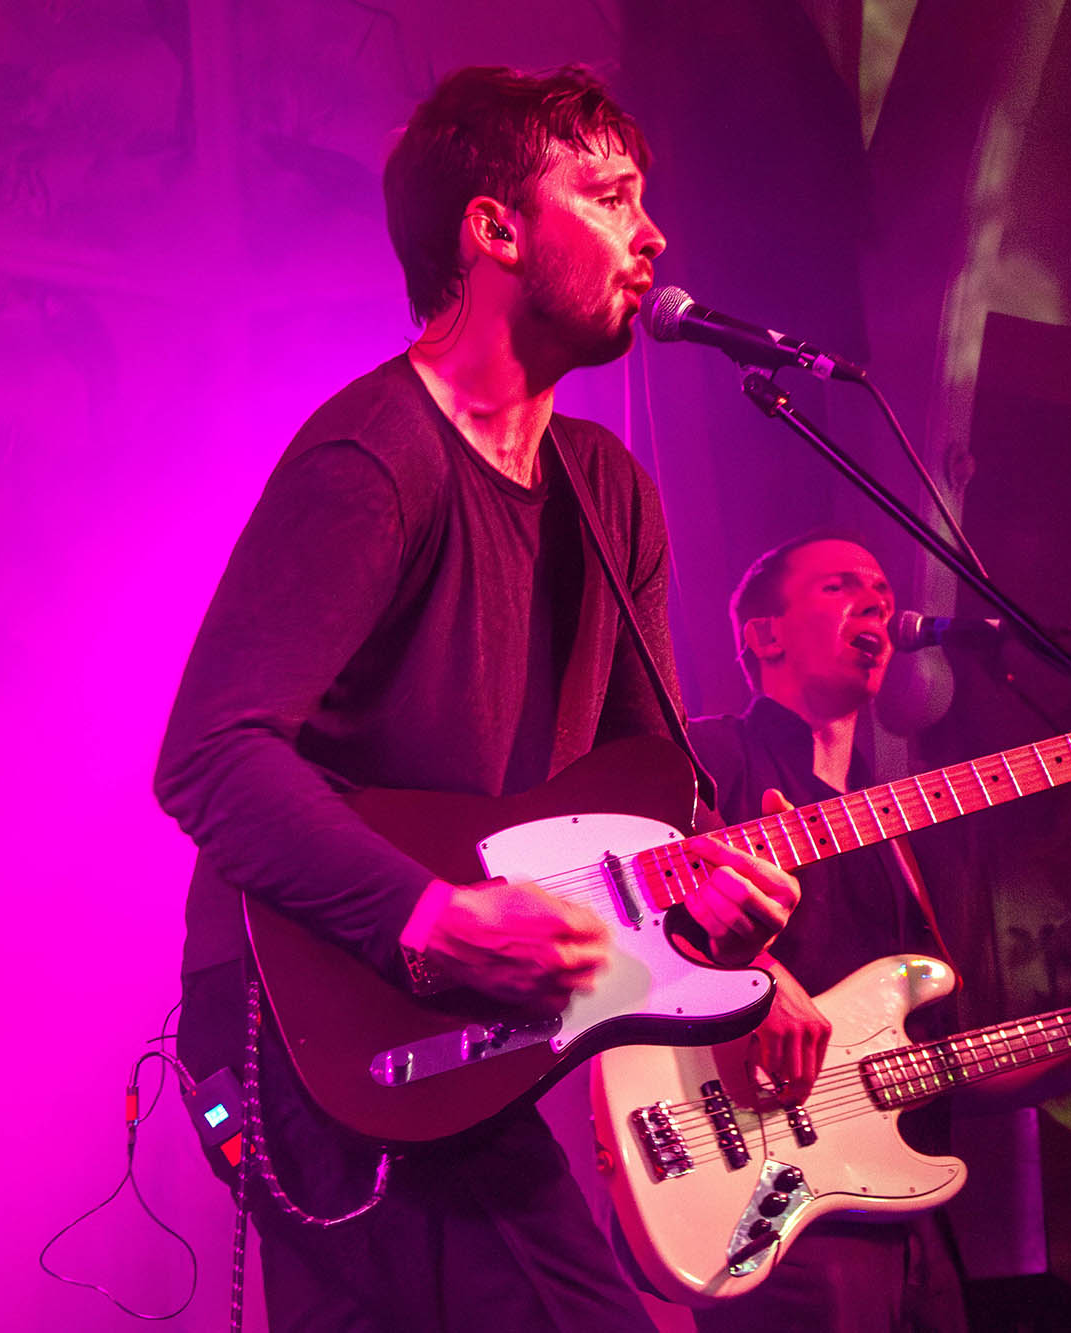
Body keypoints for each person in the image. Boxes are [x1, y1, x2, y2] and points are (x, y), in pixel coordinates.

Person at [155, 66, 800, 1332]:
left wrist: (713, 919)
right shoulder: (372, 457)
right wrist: (429, 915)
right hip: (307, 1017)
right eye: (608, 197)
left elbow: (640, 788)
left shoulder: (609, 494)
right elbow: (210, 756)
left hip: (457, 1043)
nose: (652, 235)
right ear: (494, 229)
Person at [685, 534, 1071, 1333]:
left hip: (914, 1232)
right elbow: (634, 917)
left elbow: (943, 1067)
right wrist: (762, 981)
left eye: (881, 587)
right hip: (773, 1209)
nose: (877, 601)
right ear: (765, 634)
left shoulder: (898, 835)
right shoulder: (713, 758)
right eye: (842, 585)